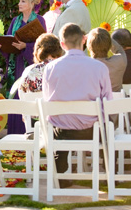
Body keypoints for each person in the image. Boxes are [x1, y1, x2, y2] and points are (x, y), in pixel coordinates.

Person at [42, 23, 112, 188]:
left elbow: (47, 101)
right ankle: (109, 170)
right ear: (84, 40)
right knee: (108, 125)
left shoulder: (50, 68)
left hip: (61, 131)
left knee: (58, 123)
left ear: (62, 44)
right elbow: (108, 103)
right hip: (91, 129)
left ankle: (60, 173)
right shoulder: (99, 68)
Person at [2, 0, 46, 134]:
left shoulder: (40, 21)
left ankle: (31, 135)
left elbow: (43, 46)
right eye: (19, 1)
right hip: (16, 66)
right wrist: (2, 45)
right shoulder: (15, 21)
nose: (19, 4)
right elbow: (9, 39)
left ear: (32, 3)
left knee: (29, 99)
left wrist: (25, 47)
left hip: (31, 69)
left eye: (23, 1)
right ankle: (14, 135)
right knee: (15, 97)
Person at [86, 27, 127, 92]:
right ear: (109, 44)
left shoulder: (85, 67)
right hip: (116, 101)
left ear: (89, 46)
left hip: (95, 101)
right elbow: (120, 49)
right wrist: (105, 38)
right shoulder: (120, 62)